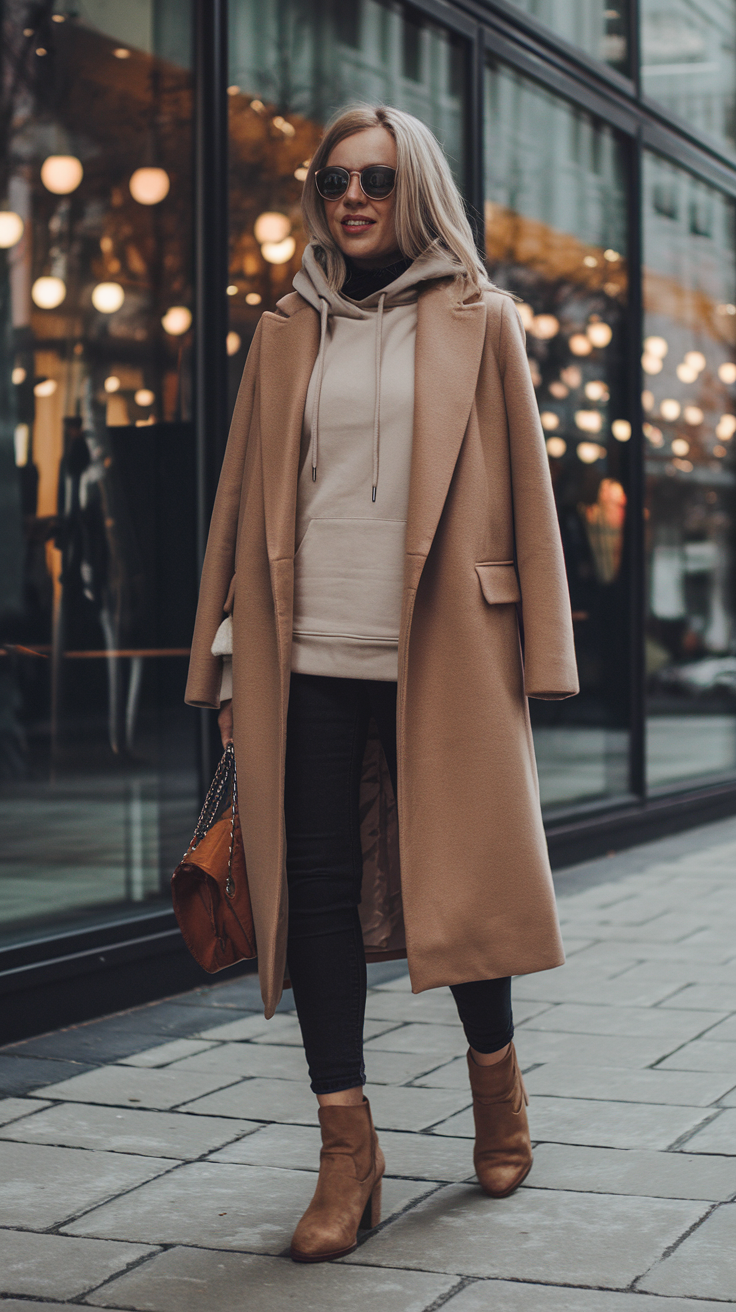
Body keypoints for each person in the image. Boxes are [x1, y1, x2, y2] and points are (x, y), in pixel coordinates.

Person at [186, 103, 578, 1263]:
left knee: (460, 883)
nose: (350, 196)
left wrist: (540, 655)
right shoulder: (283, 331)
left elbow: (527, 490)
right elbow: (241, 499)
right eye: (332, 179)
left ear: (413, 190)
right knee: (311, 890)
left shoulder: (481, 319)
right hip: (304, 649)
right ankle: (345, 1148)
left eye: (374, 178)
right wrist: (217, 641)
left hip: (443, 645)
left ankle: (496, 1088)